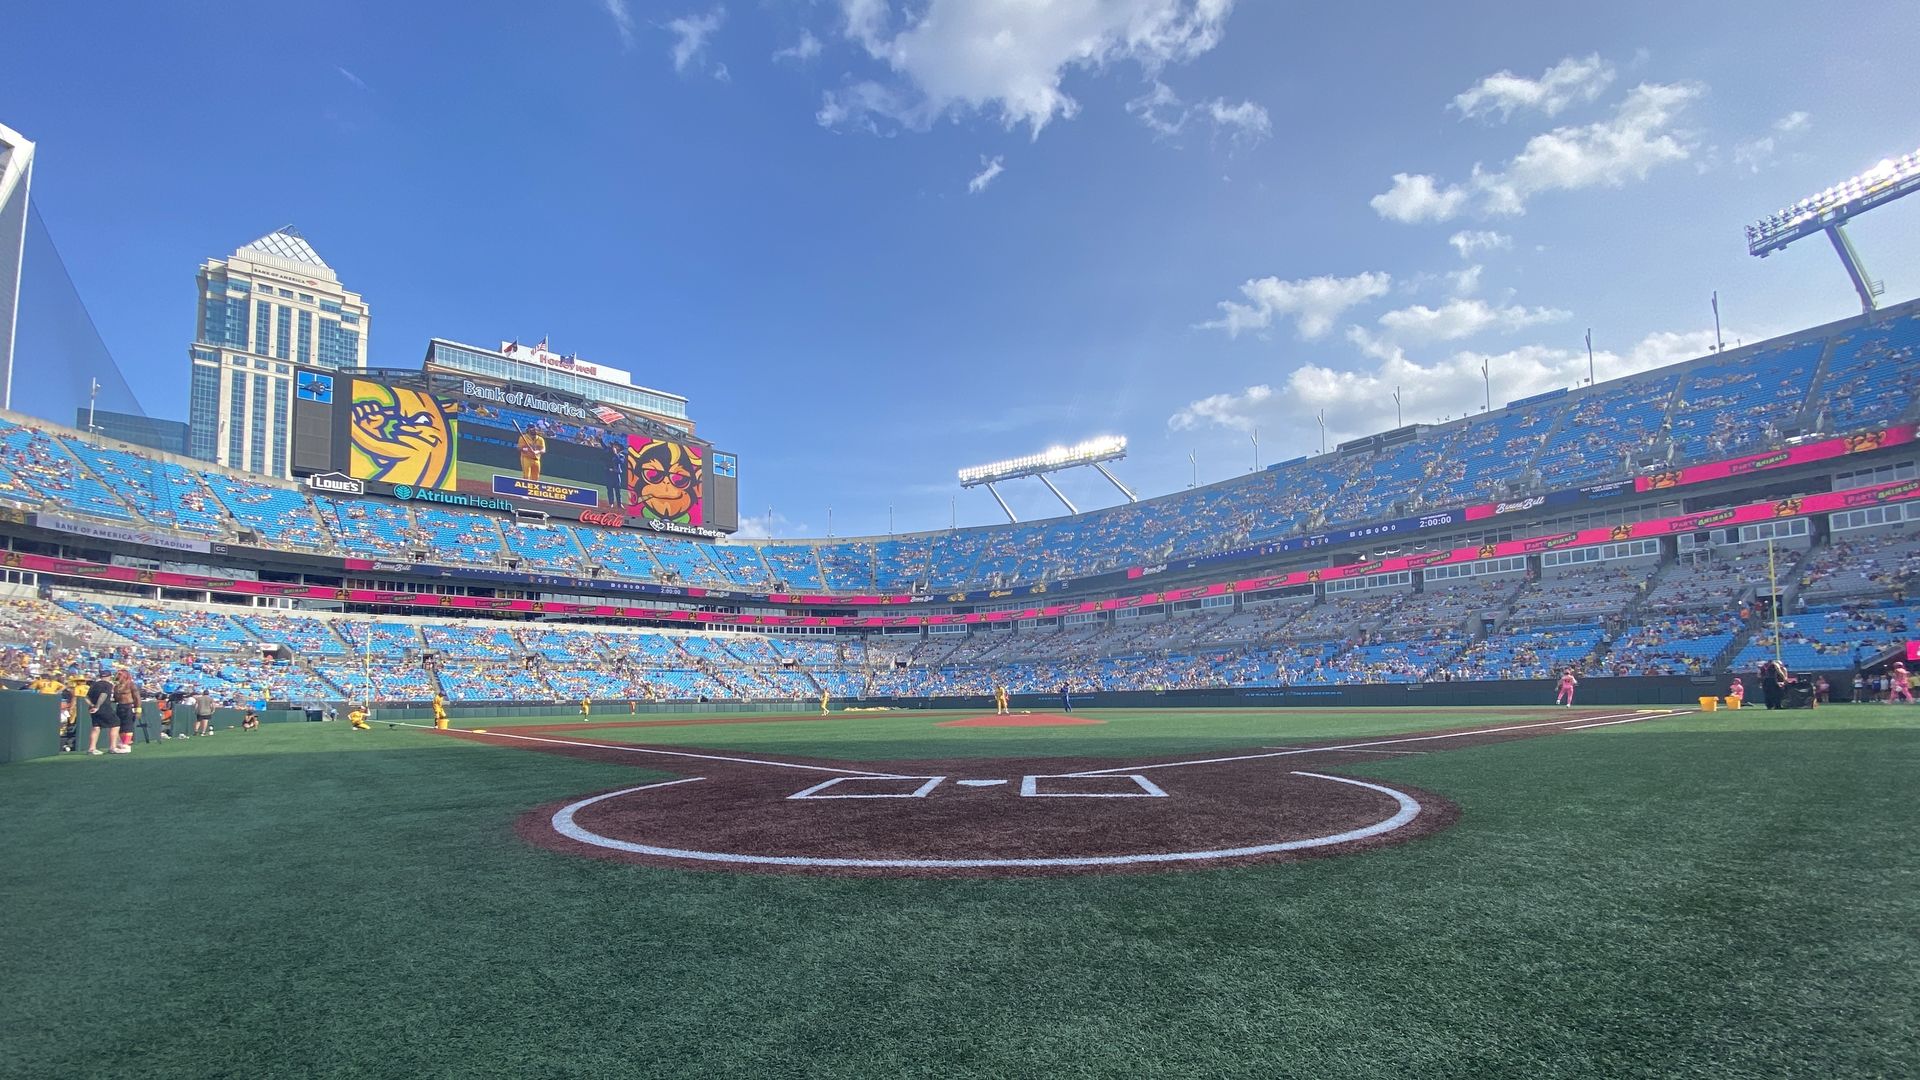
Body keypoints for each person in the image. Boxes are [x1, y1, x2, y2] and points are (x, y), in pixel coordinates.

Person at [84, 668, 118, 755]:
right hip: (104, 707)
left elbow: (86, 697)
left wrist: (92, 705)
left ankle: (91, 749)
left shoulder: (94, 685)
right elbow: (103, 695)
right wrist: (97, 706)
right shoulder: (107, 685)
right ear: (109, 676)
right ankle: (113, 747)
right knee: (115, 724)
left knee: (96, 727)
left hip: (93, 709)